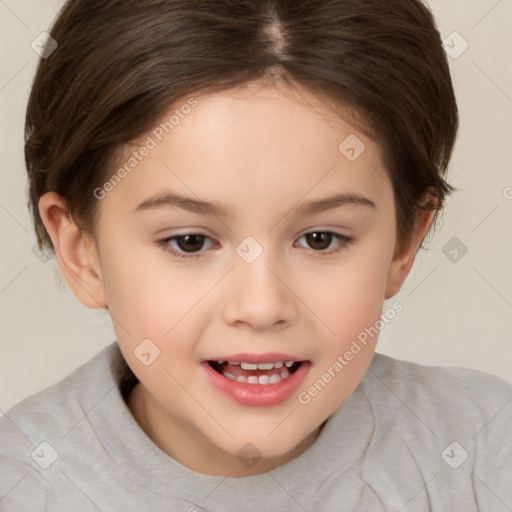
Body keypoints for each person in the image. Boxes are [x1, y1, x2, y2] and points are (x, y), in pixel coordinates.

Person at [1, 0, 510, 510]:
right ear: (82, 252)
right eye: (190, 241)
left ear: (403, 243)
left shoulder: (486, 454)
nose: (262, 306)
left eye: (320, 239)